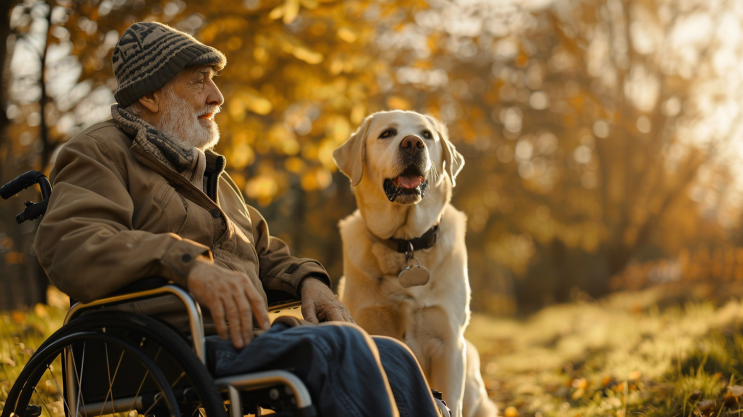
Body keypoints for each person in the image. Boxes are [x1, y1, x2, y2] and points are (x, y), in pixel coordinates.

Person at [34, 22, 446, 417]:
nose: (217, 96)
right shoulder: (97, 152)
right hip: (168, 345)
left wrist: (310, 281)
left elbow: (261, 249)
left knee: (392, 357)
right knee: (339, 347)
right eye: (199, 80)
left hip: (238, 336)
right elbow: (71, 244)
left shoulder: (206, 172)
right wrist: (186, 263)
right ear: (150, 96)